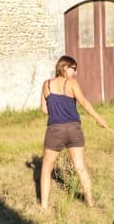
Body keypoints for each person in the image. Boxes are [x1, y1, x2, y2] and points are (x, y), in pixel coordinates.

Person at [38, 55, 107, 211]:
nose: (75, 73)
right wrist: (99, 119)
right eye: (73, 69)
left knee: (46, 168)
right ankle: (90, 203)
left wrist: (57, 111)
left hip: (55, 130)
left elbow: (44, 109)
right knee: (80, 167)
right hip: (74, 129)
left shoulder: (46, 85)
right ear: (64, 67)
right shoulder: (72, 84)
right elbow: (84, 102)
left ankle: (44, 207)